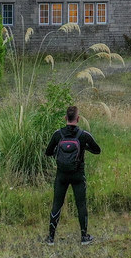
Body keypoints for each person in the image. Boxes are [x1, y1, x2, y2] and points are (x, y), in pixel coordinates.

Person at [44, 105, 101, 246]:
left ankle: (50, 238)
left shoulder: (58, 134)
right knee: (81, 205)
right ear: (78, 118)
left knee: (57, 204)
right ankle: (84, 237)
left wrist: (59, 152)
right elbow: (97, 150)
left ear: (65, 118)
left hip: (61, 175)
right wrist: (84, 147)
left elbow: (48, 152)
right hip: (78, 175)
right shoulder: (84, 135)